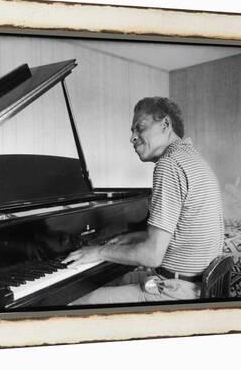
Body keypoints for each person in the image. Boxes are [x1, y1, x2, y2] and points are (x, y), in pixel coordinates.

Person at [64, 97, 224, 304]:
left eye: (139, 128)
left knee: (74, 301)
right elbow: (181, 231)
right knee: (112, 280)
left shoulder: (169, 165)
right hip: (198, 283)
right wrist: (136, 237)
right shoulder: (193, 159)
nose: (132, 138)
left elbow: (151, 257)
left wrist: (99, 251)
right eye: (132, 131)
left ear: (165, 124)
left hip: (177, 291)